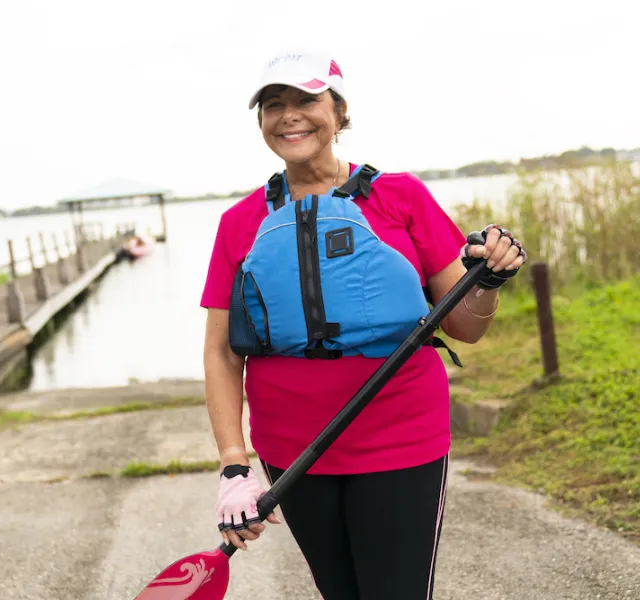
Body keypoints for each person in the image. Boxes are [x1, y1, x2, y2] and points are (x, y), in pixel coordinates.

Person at [200, 49, 526, 600]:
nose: (289, 116)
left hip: (401, 434)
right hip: (293, 447)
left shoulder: (402, 197)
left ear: (339, 110)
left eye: (306, 100)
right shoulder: (239, 223)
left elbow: (467, 328)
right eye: (273, 105)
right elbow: (221, 355)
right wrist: (235, 466)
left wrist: (486, 281)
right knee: (340, 592)